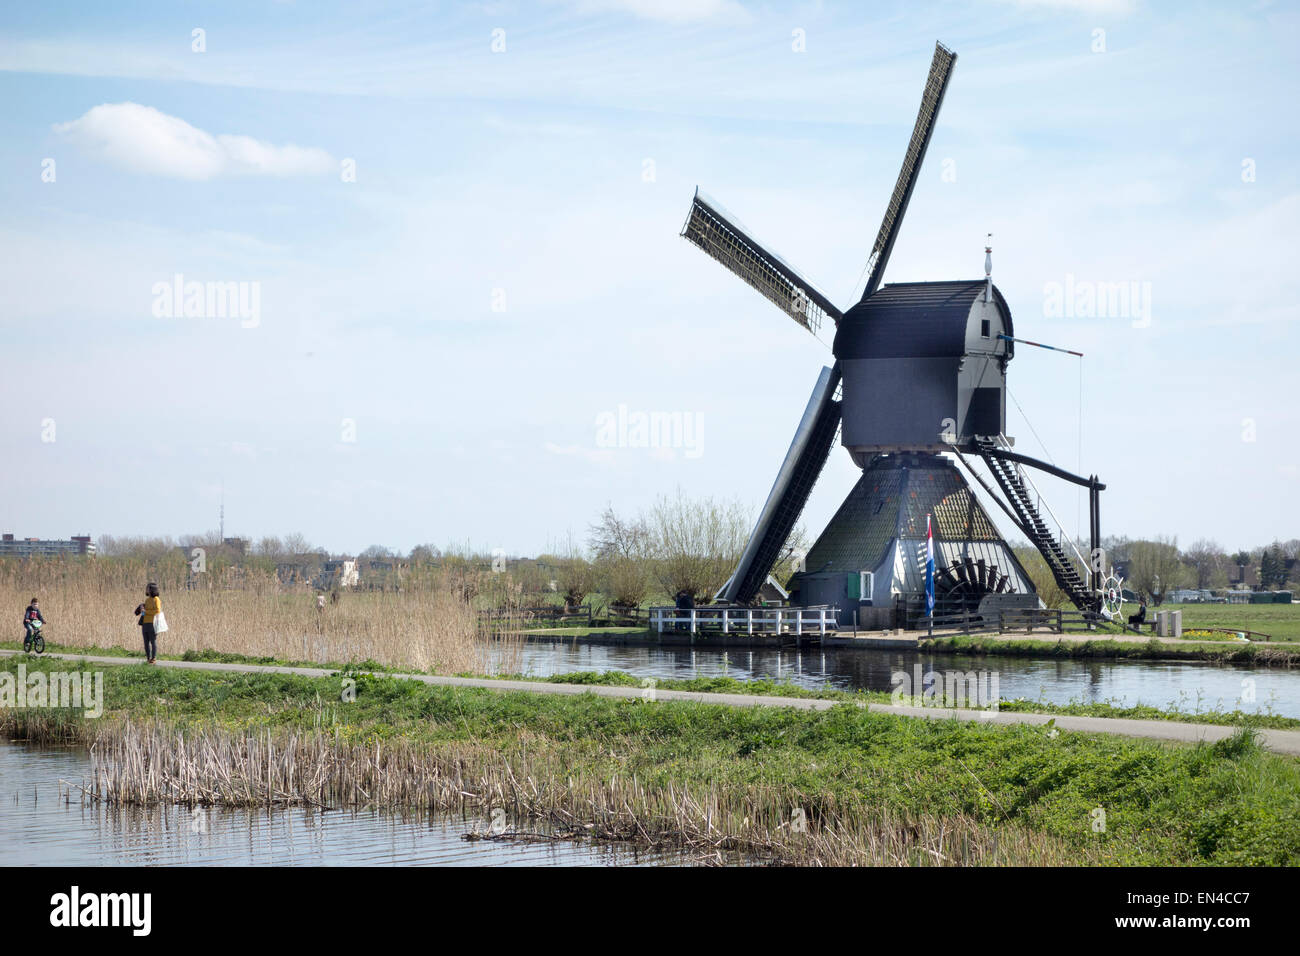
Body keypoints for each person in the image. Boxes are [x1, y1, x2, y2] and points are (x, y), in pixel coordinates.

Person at [134, 583, 162, 665]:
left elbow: (157, 611)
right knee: (146, 642)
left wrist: (146, 612)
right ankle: (148, 658)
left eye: (147, 588)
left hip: (152, 623)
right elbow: (144, 613)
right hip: (145, 623)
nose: (146, 590)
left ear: (151, 589)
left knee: (153, 641)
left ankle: (153, 658)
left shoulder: (156, 599)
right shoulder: (147, 600)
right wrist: (142, 611)